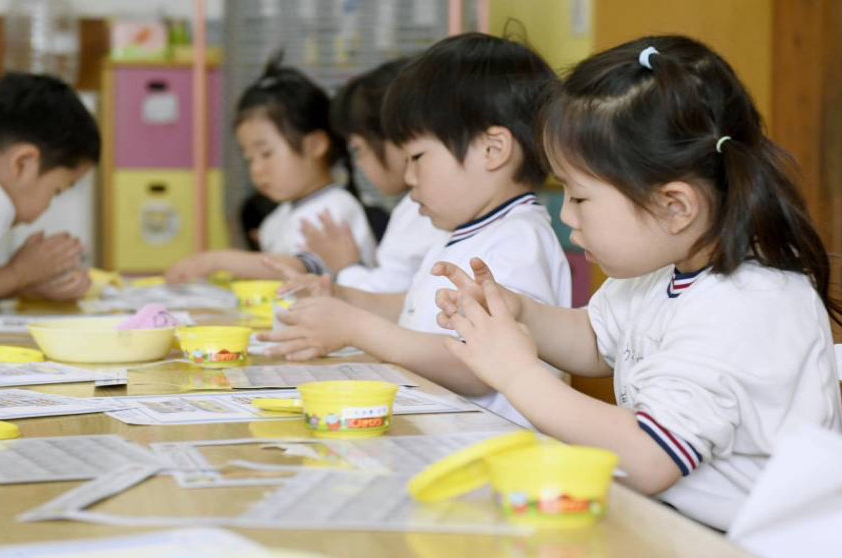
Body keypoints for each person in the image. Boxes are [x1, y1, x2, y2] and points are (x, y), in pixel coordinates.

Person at [433, 35, 842, 530]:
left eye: (579, 197)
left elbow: (647, 459)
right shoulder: (661, 269)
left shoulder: (748, 304)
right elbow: (595, 341)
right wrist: (518, 313)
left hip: (739, 543)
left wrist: (515, 374)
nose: (568, 218)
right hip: (670, 524)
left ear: (674, 206)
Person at [259, 33, 571, 427]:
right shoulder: (467, 230)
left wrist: (354, 327)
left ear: (492, 150)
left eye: (418, 157)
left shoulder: (517, 242)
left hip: (491, 449)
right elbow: (417, 306)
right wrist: (344, 296)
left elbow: (475, 366)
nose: (408, 176)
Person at [164, 55, 377, 283]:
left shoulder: (333, 209)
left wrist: (215, 261)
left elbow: (300, 269)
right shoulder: (281, 215)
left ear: (315, 145)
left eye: (266, 154)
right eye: (249, 159)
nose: (256, 169)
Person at [294, 57, 447, 293]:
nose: (360, 163)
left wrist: (346, 267)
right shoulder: (421, 204)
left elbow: (389, 299)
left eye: (359, 149)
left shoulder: (425, 208)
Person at [0, 72, 99, 311]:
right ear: (23, 163)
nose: (44, 210)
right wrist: (17, 274)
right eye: (56, 191)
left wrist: (19, 285)